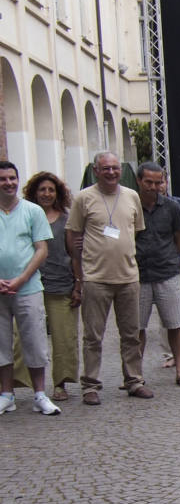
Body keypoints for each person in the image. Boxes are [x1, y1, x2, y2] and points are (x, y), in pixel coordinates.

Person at [67, 151, 152, 404]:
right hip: (96, 277)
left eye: (115, 168)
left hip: (128, 276)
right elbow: (73, 234)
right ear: (96, 170)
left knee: (131, 334)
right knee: (93, 335)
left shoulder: (132, 196)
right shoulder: (83, 198)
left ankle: (134, 380)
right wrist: (79, 275)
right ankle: (90, 385)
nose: (112, 172)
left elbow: (134, 231)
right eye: (106, 168)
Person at [10, 172, 79, 402]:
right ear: (34, 193)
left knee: (63, 338)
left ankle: (60, 384)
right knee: (24, 338)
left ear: (57, 193)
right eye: (42, 190)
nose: (47, 194)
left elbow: (74, 254)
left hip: (61, 285)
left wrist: (79, 284)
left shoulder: (66, 219)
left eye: (51, 190)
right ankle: (21, 383)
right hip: (28, 285)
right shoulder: (26, 216)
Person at [0, 161, 61, 415]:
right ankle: (6, 394)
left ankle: (39, 394)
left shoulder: (32, 211)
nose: (8, 183)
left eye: (12, 178)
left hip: (28, 287)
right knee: (1, 344)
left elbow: (41, 249)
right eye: (3, 179)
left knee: (35, 341)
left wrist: (21, 278)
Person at [134, 162, 180, 387]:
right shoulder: (131, 206)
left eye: (158, 182)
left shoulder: (172, 207)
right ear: (139, 181)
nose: (154, 187)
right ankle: (134, 373)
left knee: (175, 324)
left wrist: (175, 259)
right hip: (138, 274)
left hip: (166, 272)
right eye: (149, 182)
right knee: (137, 328)